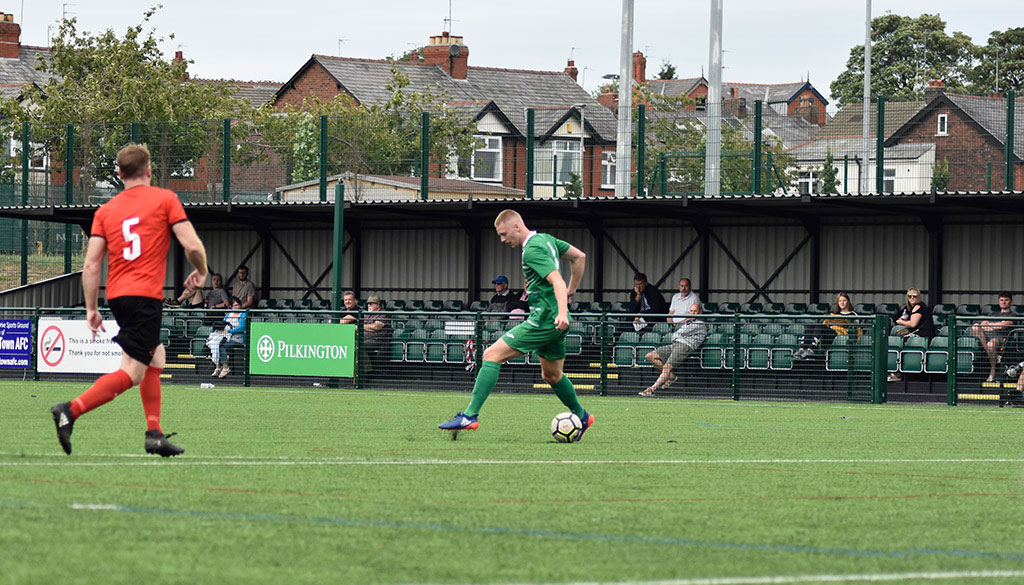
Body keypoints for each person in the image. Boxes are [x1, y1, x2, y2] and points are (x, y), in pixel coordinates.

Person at [50, 143, 207, 457]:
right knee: (133, 373)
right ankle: (70, 410)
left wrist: (92, 307)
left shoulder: (106, 211)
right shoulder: (165, 199)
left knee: (156, 356)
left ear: (119, 174)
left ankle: (154, 433)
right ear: (149, 170)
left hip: (118, 296)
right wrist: (201, 270)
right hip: (144, 296)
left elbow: (92, 264)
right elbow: (191, 245)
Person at [439, 210, 593, 436]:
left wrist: (562, 309)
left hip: (544, 320)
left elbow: (556, 280)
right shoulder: (546, 239)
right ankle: (582, 415)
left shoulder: (532, 248)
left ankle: (469, 415)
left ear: (517, 227)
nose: (502, 239)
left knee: (491, 355)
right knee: (552, 375)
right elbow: (580, 257)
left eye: (503, 234)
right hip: (554, 321)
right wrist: (572, 290)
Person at [641, 303, 708, 396]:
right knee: (650, 356)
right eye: (691, 311)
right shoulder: (689, 322)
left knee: (667, 366)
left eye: (695, 311)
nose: (692, 313)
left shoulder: (699, 324)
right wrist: (677, 335)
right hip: (676, 344)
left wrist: (677, 335)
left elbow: (680, 332)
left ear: (700, 313)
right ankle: (671, 377)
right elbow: (676, 334)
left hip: (685, 346)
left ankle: (652, 388)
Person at [888, 287, 936, 382]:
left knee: (903, 341)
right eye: (910, 296)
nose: (912, 298)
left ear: (918, 297)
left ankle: (898, 372)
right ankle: (895, 370)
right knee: (897, 336)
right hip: (916, 332)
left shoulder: (919, 306)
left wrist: (901, 322)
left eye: (914, 296)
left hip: (923, 334)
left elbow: (913, 324)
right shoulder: (908, 309)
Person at [793, 292, 857, 359]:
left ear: (848, 302)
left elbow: (853, 327)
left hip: (839, 334)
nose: (842, 303)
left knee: (820, 326)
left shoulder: (852, 314)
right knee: (811, 325)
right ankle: (802, 348)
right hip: (828, 334)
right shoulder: (834, 314)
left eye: (844, 301)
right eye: (840, 301)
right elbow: (826, 322)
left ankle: (811, 349)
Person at [973, 292, 1018, 382]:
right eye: (1001, 300)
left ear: (1010, 301)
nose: (1003, 302)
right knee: (975, 327)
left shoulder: (1013, 315)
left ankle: (992, 371)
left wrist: (990, 325)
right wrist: (996, 324)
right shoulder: (993, 314)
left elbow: (1003, 326)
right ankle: (994, 355)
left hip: (1002, 340)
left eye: (1006, 300)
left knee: (991, 344)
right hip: (986, 339)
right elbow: (983, 325)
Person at [216, 297, 246, 378]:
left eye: (238, 305)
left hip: (238, 338)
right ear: (231, 307)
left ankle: (225, 368)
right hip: (227, 337)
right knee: (215, 344)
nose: (237, 307)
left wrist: (229, 331)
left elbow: (242, 328)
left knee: (222, 347)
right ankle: (218, 367)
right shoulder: (229, 314)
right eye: (235, 305)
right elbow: (223, 324)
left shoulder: (243, 314)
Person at [361, 295, 391, 373]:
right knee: (351, 344)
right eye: (368, 304)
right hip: (365, 338)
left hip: (377, 340)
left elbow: (376, 327)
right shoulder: (369, 315)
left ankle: (368, 370)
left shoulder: (383, 314)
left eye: (371, 304)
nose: (368, 305)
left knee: (358, 346)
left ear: (377, 305)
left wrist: (362, 326)